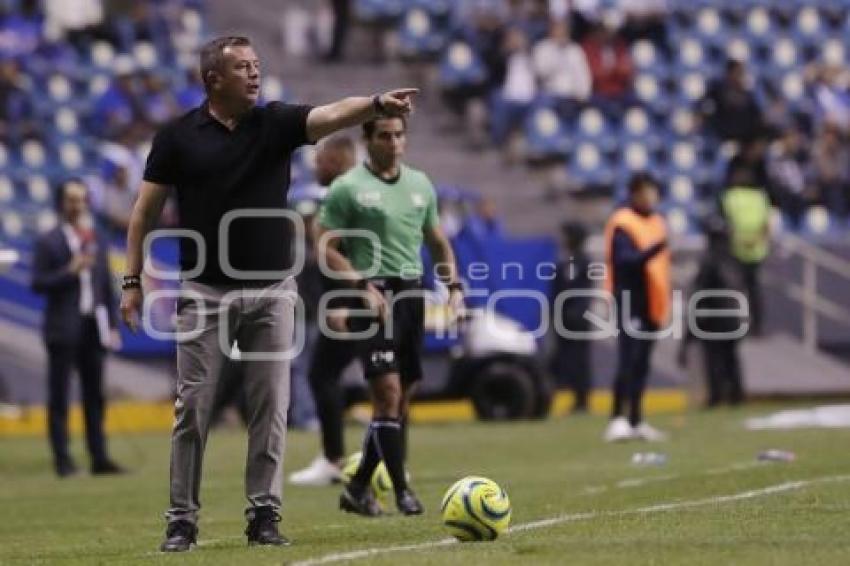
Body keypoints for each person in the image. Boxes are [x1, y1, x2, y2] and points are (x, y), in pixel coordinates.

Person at [119, 35, 418, 552]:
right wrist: (131, 279)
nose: (255, 74)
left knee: (271, 405)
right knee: (193, 407)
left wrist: (373, 104)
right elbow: (144, 213)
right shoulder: (176, 137)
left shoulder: (275, 123)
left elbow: (330, 115)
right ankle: (181, 521)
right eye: (242, 67)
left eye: (257, 65)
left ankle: (264, 516)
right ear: (213, 78)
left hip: (273, 290)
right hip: (205, 291)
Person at [315, 115, 464, 516]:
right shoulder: (348, 189)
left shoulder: (420, 184)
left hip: (411, 295)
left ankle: (359, 485)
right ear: (368, 140)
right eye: (385, 135)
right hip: (373, 296)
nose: (394, 142)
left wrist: (455, 289)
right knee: (388, 395)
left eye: (399, 135)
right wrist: (360, 285)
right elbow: (325, 247)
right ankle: (402, 492)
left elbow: (437, 242)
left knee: (400, 404)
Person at [31, 179, 124, 478]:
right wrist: (68, 271)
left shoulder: (95, 238)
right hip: (62, 327)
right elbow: (38, 283)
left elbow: (105, 288)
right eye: (72, 199)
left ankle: (99, 457)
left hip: (92, 327)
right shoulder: (49, 241)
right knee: (59, 397)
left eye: (82, 199)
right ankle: (63, 461)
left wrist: (111, 325)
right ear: (61, 203)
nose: (79, 204)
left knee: (95, 395)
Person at [289, 136, 360, 486]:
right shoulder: (355, 191)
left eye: (320, 159)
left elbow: (349, 252)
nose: (315, 165)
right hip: (359, 298)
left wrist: (350, 300)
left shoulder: (347, 194)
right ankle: (389, 461)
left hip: (357, 300)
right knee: (387, 378)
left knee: (325, 373)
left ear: (334, 160)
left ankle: (336, 459)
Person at [603, 173, 670, 442]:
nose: (651, 197)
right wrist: (653, 251)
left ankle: (637, 419)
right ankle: (617, 418)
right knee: (628, 359)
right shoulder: (623, 222)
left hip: (651, 301)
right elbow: (625, 260)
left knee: (642, 362)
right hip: (630, 298)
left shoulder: (657, 221)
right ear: (634, 194)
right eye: (646, 192)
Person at [678, 217, 747, 408]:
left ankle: (717, 396)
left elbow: (701, 293)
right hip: (733, 316)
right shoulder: (733, 259)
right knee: (730, 357)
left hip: (714, 318)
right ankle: (735, 395)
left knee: (714, 358)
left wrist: (694, 324)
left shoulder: (709, 261)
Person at [720, 164, 771, 337]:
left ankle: (735, 325)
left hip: (736, 248)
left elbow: (726, 222)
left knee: (735, 289)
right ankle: (757, 327)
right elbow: (766, 225)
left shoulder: (730, 197)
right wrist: (756, 239)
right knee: (753, 289)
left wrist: (738, 239)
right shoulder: (761, 197)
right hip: (756, 248)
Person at [550, 222, 593, 413]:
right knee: (561, 360)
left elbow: (581, 291)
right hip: (563, 320)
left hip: (577, 320)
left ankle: (582, 400)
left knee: (579, 360)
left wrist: (575, 312)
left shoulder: (583, 262)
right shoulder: (564, 262)